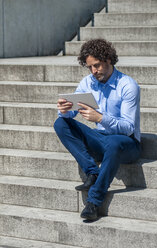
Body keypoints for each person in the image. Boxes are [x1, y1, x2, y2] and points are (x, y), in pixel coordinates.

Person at [54, 39, 141, 221]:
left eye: (97, 65)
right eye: (90, 67)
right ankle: (92, 172)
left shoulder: (127, 85)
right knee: (60, 123)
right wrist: (65, 111)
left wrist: (100, 118)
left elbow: (128, 127)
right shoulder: (88, 82)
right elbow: (72, 112)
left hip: (127, 143)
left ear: (109, 59)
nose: (94, 71)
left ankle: (93, 202)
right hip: (100, 138)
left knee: (114, 142)